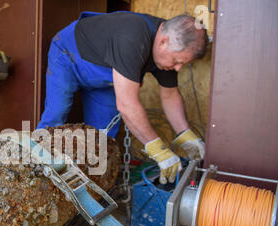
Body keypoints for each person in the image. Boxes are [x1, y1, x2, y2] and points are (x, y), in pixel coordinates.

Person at [36, 11, 208, 184]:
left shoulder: (167, 50)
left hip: (106, 77)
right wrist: (159, 150)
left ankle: (90, 188)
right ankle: (35, 169)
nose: (178, 68)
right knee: (56, 115)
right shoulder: (133, 36)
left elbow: (170, 95)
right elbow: (127, 105)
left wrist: (185, 134)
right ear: (163, 42)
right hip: (69, 56)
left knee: (102, 139)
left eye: (182, 64)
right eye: (177, 61)